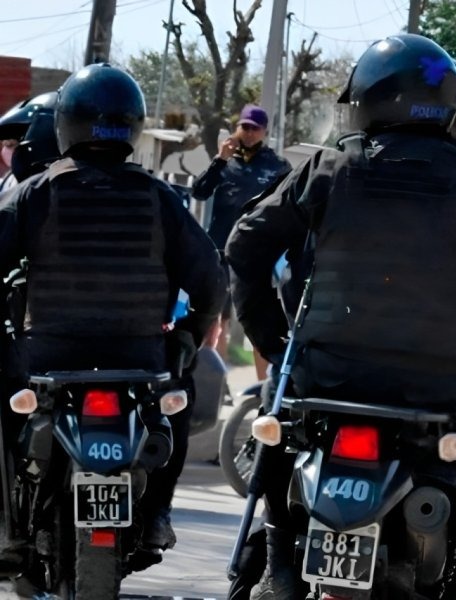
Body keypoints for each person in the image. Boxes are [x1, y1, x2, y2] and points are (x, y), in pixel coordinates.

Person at [226, 34, 456, 599]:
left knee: (275, 429)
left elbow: (244, 246)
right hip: (450, 395)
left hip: (329, 381)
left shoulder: (330, 168)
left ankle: (274, 561)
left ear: (371, 96)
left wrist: (270, 335)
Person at [0, 63, 227, 570]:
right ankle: (156, 516)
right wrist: (189, 334)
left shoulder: (34, 192)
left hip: (50, 357)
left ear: (65, 124)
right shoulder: (159, 196)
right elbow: (210, 275)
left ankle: (9, 530)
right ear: (134, 126)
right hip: (138, 359)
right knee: (177, 400)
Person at [191, 104, 291, 378]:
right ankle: (216, 384)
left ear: (264, 131)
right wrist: (219, 159)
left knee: (261, 328)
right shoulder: (226, 162)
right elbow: (199, 192)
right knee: (213, 324)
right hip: (221, 253)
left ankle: (263, 391)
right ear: (237, 128)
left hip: (258, 257)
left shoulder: (277, 166)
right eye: (244, 127)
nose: (248, 133)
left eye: (254, 128)